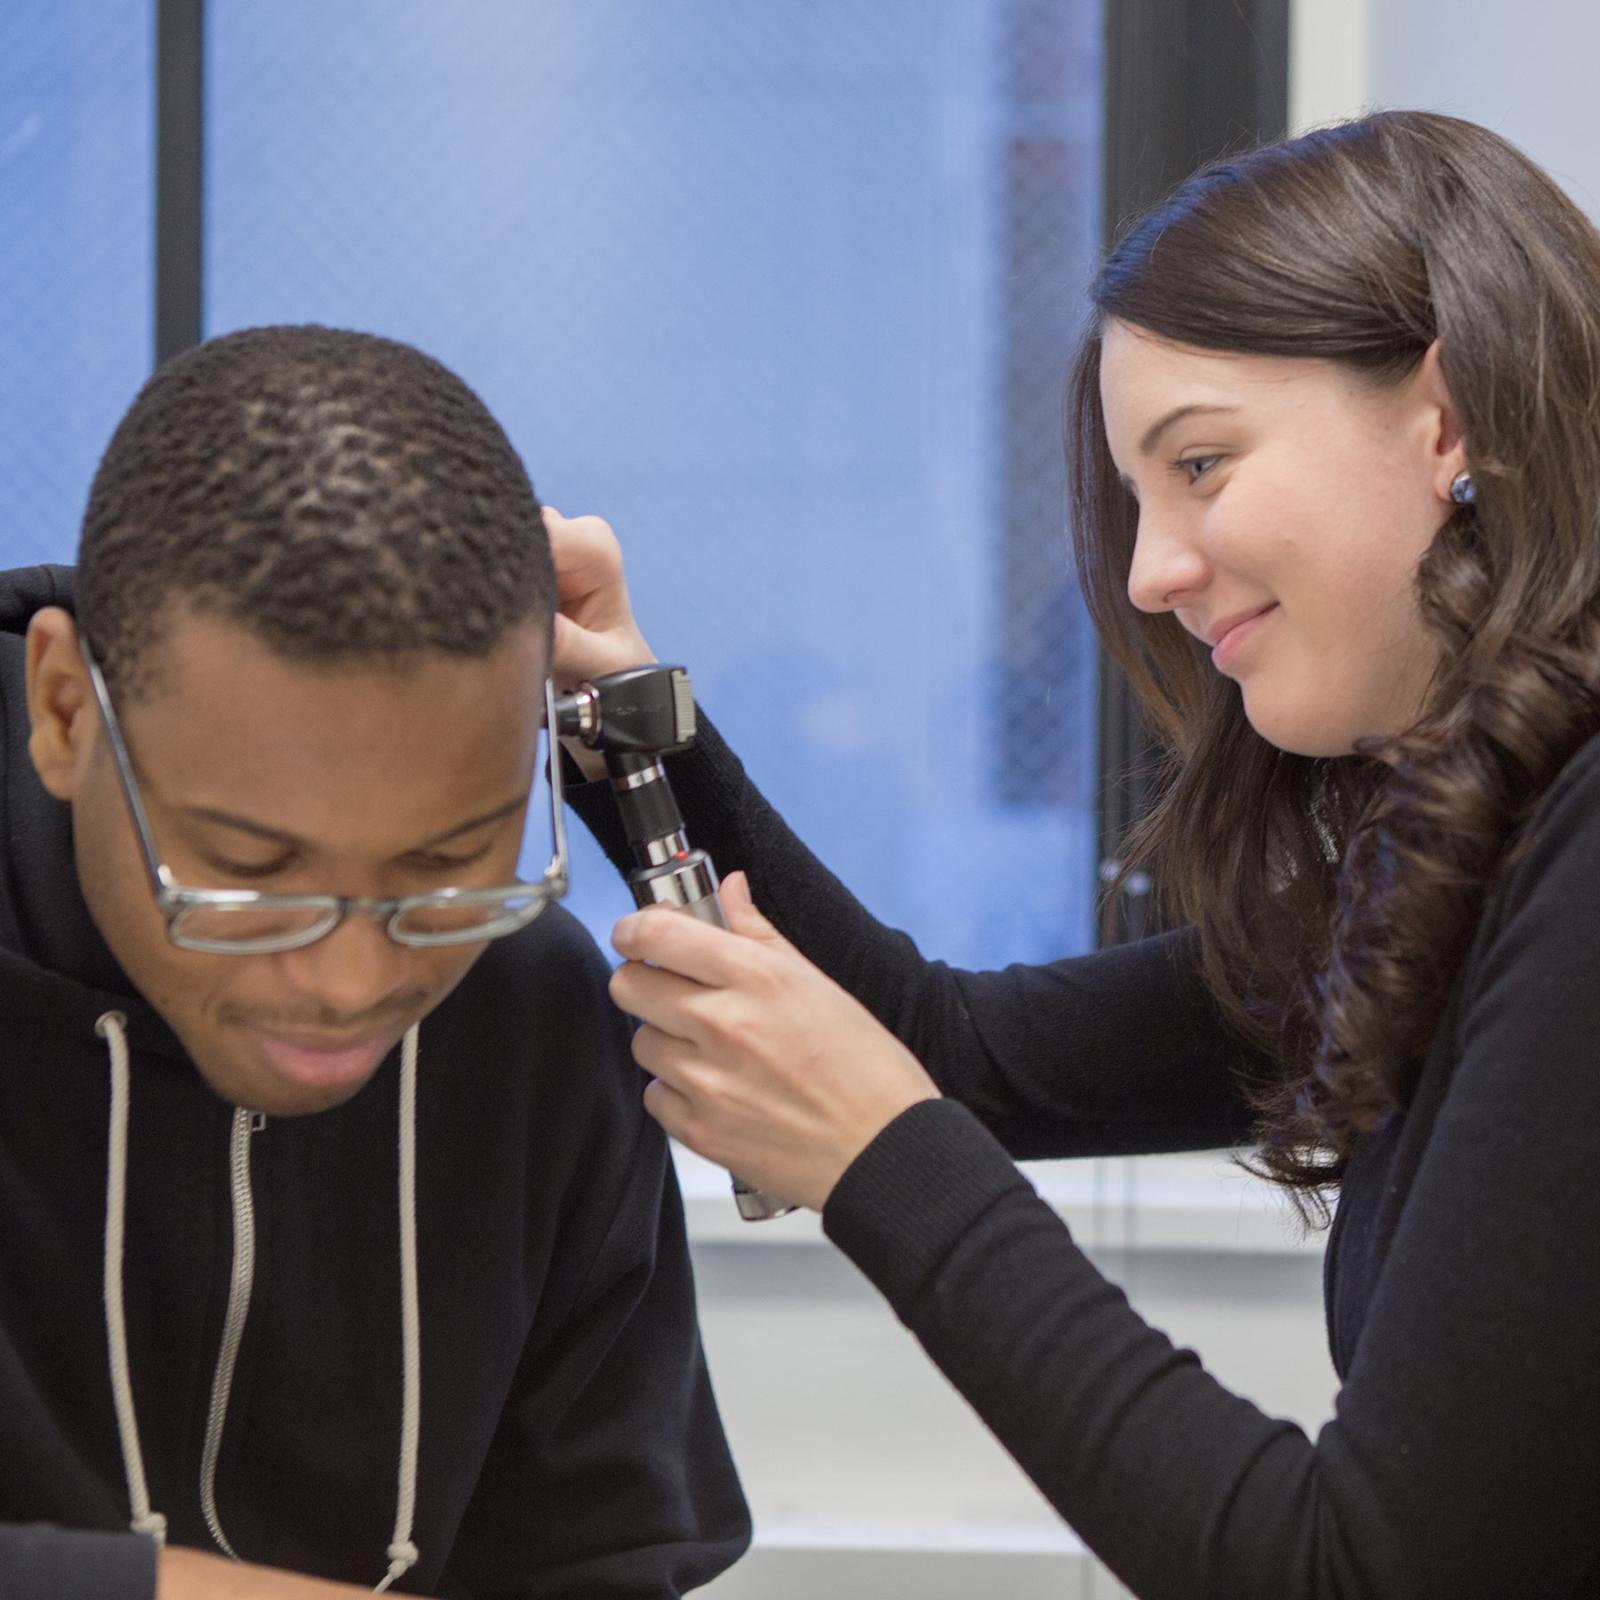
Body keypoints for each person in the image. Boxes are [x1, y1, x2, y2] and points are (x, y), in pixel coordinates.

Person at [548, 110, 1600, 1597]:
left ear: (1447, 418)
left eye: (1205, 465)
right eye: (1139, 500)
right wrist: (619, 717)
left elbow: (1360, 1573)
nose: (1154, 572)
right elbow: (953, 1047)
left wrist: (878, 1161)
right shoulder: (1464, 863)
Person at [2, 326, 748, 1599]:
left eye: (443, 864)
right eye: (248, 869)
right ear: (67, 711)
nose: (350, 983)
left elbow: (599, 1560)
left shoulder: (537, 1015)